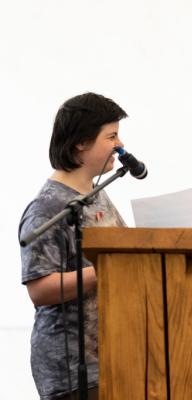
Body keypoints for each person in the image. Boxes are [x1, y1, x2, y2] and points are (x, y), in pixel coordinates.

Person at [19, 93, 127, 400]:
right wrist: (106, 271)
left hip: (112, 360)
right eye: (111, 136)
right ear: (81, 142)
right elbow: (40, 290)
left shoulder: (97, 194)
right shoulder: (47, 208)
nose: (120, 145)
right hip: (72, 372)